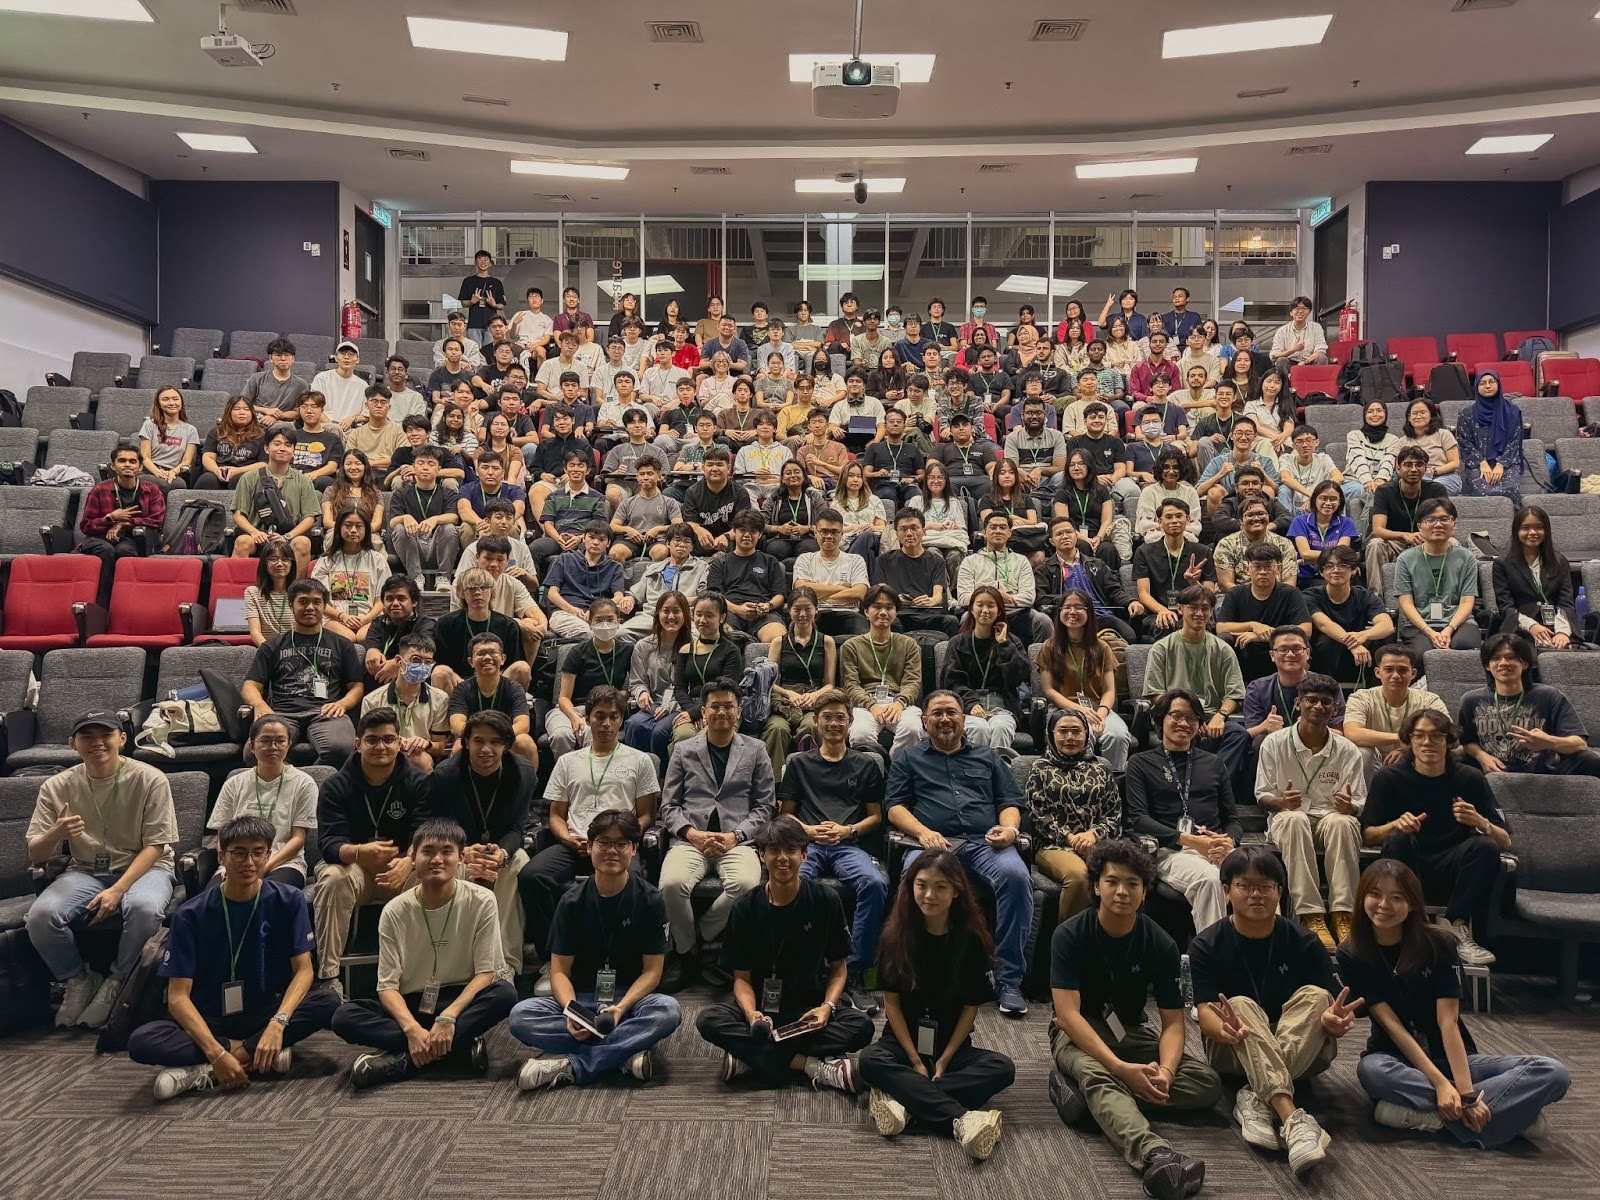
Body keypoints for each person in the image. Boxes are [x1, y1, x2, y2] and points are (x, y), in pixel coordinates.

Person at [1337, 859, 1569, 1146]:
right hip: (1398, 1059)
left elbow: (1448, 1023)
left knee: (1553, 1073)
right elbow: (1393, 1027)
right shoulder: (1352, 953)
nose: (1384, 904)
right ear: (1362, 898)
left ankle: (1431, 1117)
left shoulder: (1439, 943)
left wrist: (1465, 1091)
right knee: (1372, 1071)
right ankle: (1507, 1117)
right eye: (1375, 894)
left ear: (1412, 904)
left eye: (1397, 897)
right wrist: (1441, 1085)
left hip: (1454, 1058)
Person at [1048, 839, 1218, 1199]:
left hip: (1130, 1029)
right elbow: (1066, 1015)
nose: (1122, 892)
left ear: (1145, 892)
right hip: (1077, 1031)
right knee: (1098, 1072)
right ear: (1096, 885)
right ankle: (1155, 1155)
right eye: (1112, 881)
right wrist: (1121, 1068)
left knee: (1206, 1083)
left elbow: (1173, 1023)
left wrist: (1167, 1073)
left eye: (1132, 884)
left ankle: (1088, 1100)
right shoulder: (1069, 935)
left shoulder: (1160, 943)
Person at [124, 814, 337, 1101]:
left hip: (264, 1012)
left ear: (269, 855)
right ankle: (253, 1055)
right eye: (239, 853)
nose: (249, 862)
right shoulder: (190, 914)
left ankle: (205, 1069)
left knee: (328, 1001)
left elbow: (303, 971)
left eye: (257, 853)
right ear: (221, 855)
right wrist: (217, 1051)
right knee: (142, 1041)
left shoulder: (289, 900)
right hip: (211, 1017)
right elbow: (177, 998)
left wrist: (278, 1024)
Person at [1190, 845, 1358, 1177]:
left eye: (1266, 887)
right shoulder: (1207, 944)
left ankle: (1255, 1097)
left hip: (1302, 1048)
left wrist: (1332, 1021)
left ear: (1279, 892)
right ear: (1227, 891)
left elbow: (1330, 1008)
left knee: (1316, 995)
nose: (1256, 895)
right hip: (1232, 1050)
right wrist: (1221, 1029)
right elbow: (1205, 1011)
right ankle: (1292, 1118)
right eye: (1245, 886)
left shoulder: (1304, 941)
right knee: (1238, 1005)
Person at [330, 818, 517, 1088]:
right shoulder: (394, 910)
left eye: (446, 852)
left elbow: (486, 972)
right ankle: (456, 1049)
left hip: (458, 1002)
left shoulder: (482, 900)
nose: (437, 860)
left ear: (461, 858)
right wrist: (411, 1029)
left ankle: (406, 1060)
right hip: (411, 1005)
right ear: (413, 857)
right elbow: (387, 988)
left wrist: (449, 1017)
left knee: (505, 994)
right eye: (428, 851)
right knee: (344, 1017)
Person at [692, 815, 872, 1092]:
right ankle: (809, 1065)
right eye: (774, 851)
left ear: (804, 854)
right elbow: (741, 978)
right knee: (709, 1020)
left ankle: (753, 1058)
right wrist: (752, 1014)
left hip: (808, 1009)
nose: (782, 858)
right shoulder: (745, 907)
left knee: (862, 1026)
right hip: (761, 1009)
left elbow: (838, 968)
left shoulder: (826, 900)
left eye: (791, 851)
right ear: (762, 855)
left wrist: (827, 1008)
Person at [25, 711, 177, 1030]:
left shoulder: (150, 778)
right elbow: (35, 853)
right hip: (86, 870)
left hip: (146, 866)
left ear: (121, 739)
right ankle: (78, 980)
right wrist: (57, 834)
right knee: (41, 916)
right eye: (87, 737)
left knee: (144, 908)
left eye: (105, 735)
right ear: (73, 744)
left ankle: (118, 981)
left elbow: (156, 846)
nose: (97, 743)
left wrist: (118, 889)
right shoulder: (57, 786)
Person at [509, 809, 682, 1089]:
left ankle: (572, 1065)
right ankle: (623, 1053)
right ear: (589, 847)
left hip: (628, 1003)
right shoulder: (571, 901)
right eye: (603, 843)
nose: (611, 851)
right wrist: (570, 1010)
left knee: (667, 1010)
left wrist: (619, 1009)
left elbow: (652, 972)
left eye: (621, 844)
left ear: (634, 850)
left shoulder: (650, 900)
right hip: (582, 998)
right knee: (521, 1015)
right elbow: (559, 971)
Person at [858, 849, 1013, 1161]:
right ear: (911, 885)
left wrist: (944, 1060)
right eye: (922, 884)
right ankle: (963, 1120)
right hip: (902, 1045)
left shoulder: (970, 940)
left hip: (949, 1047)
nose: (929, 895)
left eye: (940, 887)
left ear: (956, 891)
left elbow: (971, 1009)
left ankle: (904, 1102)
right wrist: (915, 1061)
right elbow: (892, 1006)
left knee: (1003, 1069)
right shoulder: (895, 935)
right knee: (869, 1060)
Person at [886, 691, 1033, 1017]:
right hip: (932, 843)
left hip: (984, 842)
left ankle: (1007, 979)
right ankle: (910, 970)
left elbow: (1009, 803)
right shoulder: (908, 759)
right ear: (925, 722)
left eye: (951, 712)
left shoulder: (989, 757)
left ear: (964, 720)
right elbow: (894, 807)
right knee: (915, 878)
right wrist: (923, 832)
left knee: (1017, 876)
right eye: (936, 713)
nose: (944, 719)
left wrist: (1009, 829)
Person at [1361, 709, 1511, 967]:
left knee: (1485, 846)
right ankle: (1405, 926)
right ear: (1409, 740)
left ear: (1449, 741)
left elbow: (1505, 840)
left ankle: (1455, 925)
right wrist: (1395, 824)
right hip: (1407, 863)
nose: (1427, 743)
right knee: (1398, 839)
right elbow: (1368, 834)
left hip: (1453, 866)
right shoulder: (1389, 778)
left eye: (1436, 736)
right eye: (1419, 736)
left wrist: (1480, 822)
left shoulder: (1469, 778)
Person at [522, 688, 658, 961]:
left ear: (621, 720)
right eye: (599, 716)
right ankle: (554, 957)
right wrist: (566, 838)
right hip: (575, 843)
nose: (606, 723)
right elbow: (556, 814)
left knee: (637, 881)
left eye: (613, 717)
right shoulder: (567, 761)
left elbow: (646, 816)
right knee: (531, 876)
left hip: (617, 846)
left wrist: (624, 840)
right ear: (588, 718)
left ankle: (625, 958)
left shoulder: (640, 760)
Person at [658, 678, 775, 990]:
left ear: (738, 711)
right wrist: (692, 834)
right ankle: (687, 953)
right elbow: (668, 806)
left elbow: (764, 807)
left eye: (729, 706)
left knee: (748, 884)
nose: (722, 712)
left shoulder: (756, 749)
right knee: (671, 884)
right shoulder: (683, 750)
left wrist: (735, 836)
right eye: (715, 706)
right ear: (704, 711)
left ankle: (701, 934)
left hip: (737, 839)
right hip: (690, 839)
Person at [309, 707, 432, 991]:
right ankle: (328, 979)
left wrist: (410, 861)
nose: (381, 747)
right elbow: (328, 844)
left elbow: (425, 833)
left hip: (402, 869)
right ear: (357, 744)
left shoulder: (419, 782)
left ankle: (431, 975)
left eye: (388, 740)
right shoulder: (335, 785)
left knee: (441, 870)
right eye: (372, 740)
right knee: (332, 878)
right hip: (357, 871)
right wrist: (359, 852)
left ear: (400, 743)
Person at [1254, 671, 1364, 950]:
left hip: (1330, 816)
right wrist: (1281, 802)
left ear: (1335, 708)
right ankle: (1311, 914)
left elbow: (1359, 802)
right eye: (1311, 700)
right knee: (1294, 819)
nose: (1318, 707)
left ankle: (1343, 914)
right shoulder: (1274, 743)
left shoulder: (1348, 749)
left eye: (1326, 702)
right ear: (1298, 704)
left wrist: (1349, 806)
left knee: (1343, 823)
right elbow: (1262, 795)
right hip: (1288, 818)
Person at [428, 710, 534, 976]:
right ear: (466, 743)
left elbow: (517, 828)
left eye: (495, 742)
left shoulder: (523, 773)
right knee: (450, 869)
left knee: (518, 863)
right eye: (478, 741)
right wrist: (464, 851)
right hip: (459, 849)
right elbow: (439, 825)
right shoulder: (445, 775)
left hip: (500, 849)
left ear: (506, 745)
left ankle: (506, 964)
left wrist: (501, 853)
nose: (486, 749)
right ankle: (459, 964)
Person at [1123, 688, 1237, 930]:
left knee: (1260, 874)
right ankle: (1213, 960)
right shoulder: (1140, 763)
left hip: (1216, 848)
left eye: (1192, 718)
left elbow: (1233, 819)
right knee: (1209, 880)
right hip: (1170, 851)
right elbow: (1138, 819)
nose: (1184, 723)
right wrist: (1192, 842)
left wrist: (1229, 842)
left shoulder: (1214, 763)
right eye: (1176, 716)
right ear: (1160, 719)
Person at [241, 579, 365, 765]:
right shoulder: (272, 645)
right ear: (291, 604)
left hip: (327, 712)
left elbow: (356, 686)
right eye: (303, 601)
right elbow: (250, 685)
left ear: (324, 607)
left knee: (342, 749)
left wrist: (343, 703)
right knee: (255, 753)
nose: (310, 607)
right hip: (282, 713)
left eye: (316, 602)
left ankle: (313, 787)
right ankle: (291, 784)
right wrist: (259, 704)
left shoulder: (342, 644)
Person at [1141, 589, 1250, 778]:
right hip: (1174, 716)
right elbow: (1155, 694)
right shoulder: (1161, 648)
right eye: (1193, 608)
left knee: (1238, 734)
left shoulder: (1223, 650)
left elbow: (1235, 694)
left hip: (1212, 717)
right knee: (1182, 732)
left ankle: (1211, 782)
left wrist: (1220, 715)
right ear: (1181, 609)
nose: (1199, 613)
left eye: (1205, 608)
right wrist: (1190, 718)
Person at [1459, 632, 1600, 777]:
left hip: (1544, 773)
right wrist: (1481, 755)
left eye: (1511, 657)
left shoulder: (1549, 696)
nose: (1503, 663)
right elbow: (1467, 742)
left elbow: (1579, 743)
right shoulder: (1472, 700)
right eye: (1495, 658)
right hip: (1492, 771)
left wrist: (1549, 742)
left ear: (1525, 663)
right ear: (1488, 666)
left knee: (1590, 760)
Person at [1026, 709, 1122, 920]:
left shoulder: (1100, 768)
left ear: (1087, 735)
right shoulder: (1040, 768)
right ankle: (1069, 943)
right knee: (1080, 876)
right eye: (1063, 731)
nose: (1070, 737)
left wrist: (1092, 835)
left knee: (1123, 874)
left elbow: (1114, 814)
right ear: (1052, 734)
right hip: (1053, 845)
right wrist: (1070, 838)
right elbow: (1038, 815)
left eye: (1076, 731)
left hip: (1096, 843)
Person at [205, 715, 319, 886]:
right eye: (265, 741)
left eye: (280, 741)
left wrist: (263, 866)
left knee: (268, 897)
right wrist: (232, 864)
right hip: (237, 862)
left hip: (283, 862)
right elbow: (223, 833)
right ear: (252, 746)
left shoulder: (303, 783)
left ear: (288, 745)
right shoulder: (235, 783)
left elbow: (298, 838)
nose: (273, 747)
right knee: (212, 900)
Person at [942, 584, 1030, 753]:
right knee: (978, 728)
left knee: (1001, 728)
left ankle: (1000, 775)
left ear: (999, 610)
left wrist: (1004, 645)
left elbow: (1019, 676)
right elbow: (952, 682)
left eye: (991, 605)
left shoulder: (1011, 641)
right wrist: (970, 704)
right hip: (969, 707)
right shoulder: (958, 643)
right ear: (972, 609)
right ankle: (977, 775)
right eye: (980, 605)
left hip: (1002, 707)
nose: (985, 610)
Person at [76, 442, 166, 604]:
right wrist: (109, 518)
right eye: (122, 461)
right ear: (113, 466)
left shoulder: (151, 490)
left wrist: (124, 523)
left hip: (131, 538)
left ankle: (126, 601)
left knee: (125, 550)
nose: (127, 465)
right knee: (105, 550)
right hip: (99, 538)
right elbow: (86, 526)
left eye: (132, 461)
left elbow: (157, 520)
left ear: (139, 467)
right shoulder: (99, 490)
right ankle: (100, 602)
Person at [1395, 497, 1482, 656]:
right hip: (1418, 626)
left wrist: (1449, 629)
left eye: (1444, 519)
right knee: (1423, 654)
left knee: (1464, 646)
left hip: (1458, 623)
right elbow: (1406, 603)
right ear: (1420, 526)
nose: (1438, 524)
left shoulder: (1467, 557)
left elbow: (1467, 601)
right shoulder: (1405, 559)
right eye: (1430, 520)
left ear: (1453, 523)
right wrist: (1429, 632)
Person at [1216, 543, 1312, 682]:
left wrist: (1264, 635)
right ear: (1247, 568)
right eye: (1257, 567)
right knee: (1224, 639)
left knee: (1302, 643)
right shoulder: (1236, 593)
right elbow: (1221, 627)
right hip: (1245, 649)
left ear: (1277, 569)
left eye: (1268, 567)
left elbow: (1306, 630)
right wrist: (1253, 625)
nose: (1262, 572)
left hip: (1279, 648)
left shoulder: (1290, 593)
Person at [231, 426, 318, 576]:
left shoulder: (303, 480)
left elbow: (310, 518)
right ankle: (239, 593)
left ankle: (297, 591)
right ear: (266, 448)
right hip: (258, 536)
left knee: (303, 543)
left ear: (294, 450)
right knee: (243, 542)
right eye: (277, 444)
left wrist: (287, 536)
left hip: (289, 537)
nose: (282, 448)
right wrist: (254, 532)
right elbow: (238, 515)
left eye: (287, 445)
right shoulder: (249, 478)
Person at [1241, 625, 1344, 746]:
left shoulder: (1328, 685)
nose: (1290, 654)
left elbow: (1340, 734)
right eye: (1283, 649)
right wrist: (1265, 726)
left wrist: (1313, 728)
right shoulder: (1257, 688)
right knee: (1260, 741)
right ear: (1272, 655)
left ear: (1307, 653)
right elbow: (1248, 733)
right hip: (1276, 747)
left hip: (1317, 744)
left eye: (1296, 649)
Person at [360, 632, 450, 771]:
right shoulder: (372, 700)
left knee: (421, 761)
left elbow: (440, 747)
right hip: (382, 751)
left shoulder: (440, 698)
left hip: (419, 755)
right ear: (399, 661)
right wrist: (393, 742)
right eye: (415, 660)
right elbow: (366, 742)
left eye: (427, 662)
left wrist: (426, 744)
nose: (422, 666)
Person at [1305, 545, 1394, 684]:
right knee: (1327, 642)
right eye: (1329, 566)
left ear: (1353, 570)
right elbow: (1323, 624)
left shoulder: (1364, 595)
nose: (1336, 570)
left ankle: (1374, 691)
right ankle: (1325, 691)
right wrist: (1353, 644)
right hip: (1326, 653)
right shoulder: (1311, 596)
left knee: (1382, 641)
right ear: (1322, 572)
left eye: (1342, 566)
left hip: (1361, 653)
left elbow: (1387, 625)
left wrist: (1364, 636)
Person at [1492, 505, 1578, 648]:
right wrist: (1532, 626)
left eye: (1538, 527)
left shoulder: (1559, 561)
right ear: (1516, 531)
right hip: (1519, 627)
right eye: (1525, 528)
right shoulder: (1502, 563)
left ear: (1546, 531)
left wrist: (1562, 632)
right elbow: (1505, 606)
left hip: (1556, 626)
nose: (1532, 532)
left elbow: (1566, 602)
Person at [955, 512, 1046, 644]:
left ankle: (1037, 663)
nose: (998, 531)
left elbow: (1029, 597)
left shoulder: (1021, 561)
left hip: (1016, 611)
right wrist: (995, 597)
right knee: (965, 618)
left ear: (1009, 533)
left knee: (1043, 621)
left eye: (1003, 528)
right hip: (982, 609)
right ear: (984, 532)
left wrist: (1010, 600)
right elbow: (963, 598)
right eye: (993, 527)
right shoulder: (970, 561)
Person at [1365, 443, 1449, 584]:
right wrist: (1405, 535)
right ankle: (1376, 600)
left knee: (1452, 542)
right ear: (1398, 468)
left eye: (1419, 465)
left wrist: (1427, 536)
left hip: (1425, 540)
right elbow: (1378, 530)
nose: (1414, 469)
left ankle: (1447, 598)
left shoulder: (1437, 490)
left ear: (1426, 468)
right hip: (1395, 542)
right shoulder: (1384, 491)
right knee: (1375, 544)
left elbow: (1447, 525)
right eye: (1408, 465)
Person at [1130, 500, 1215, 638]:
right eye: (1169, 517)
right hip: (1156, 612)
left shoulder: (1203, 552)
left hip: (1194, 612)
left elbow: (1209, 595)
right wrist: (1162, 610)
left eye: (1179, 516)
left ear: (1187, 519)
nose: (1174, 521)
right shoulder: (1144, 552)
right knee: (1166, 623)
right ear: (1159, 521)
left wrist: (1194, 583)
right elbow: (1143, 593)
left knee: (1202, 626)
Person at [706, 510, 787, 640]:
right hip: (729, 611)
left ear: (760, 534)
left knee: (778, 639)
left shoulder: (770, 561)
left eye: (753, 531)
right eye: (742, 530)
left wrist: (768, 606)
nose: (747, 535)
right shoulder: (720, 562)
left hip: (763, 614)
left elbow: (780, 595)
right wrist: (738, 609)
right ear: (734, 532)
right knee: (718, 636)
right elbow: (714, 596)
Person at [543, 521, 631, 640]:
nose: (595, 542)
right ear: (583, 539)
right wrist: (573, 610)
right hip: (565, 613)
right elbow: (552, 593)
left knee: (623, 635)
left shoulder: (615, 567)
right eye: (591, 537)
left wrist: (597, 612)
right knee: (590, 634)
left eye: (601, 539)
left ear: (608, 543)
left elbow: (618, 596)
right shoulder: (565, 559)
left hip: (600, 617)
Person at [311, 507, 389, 639]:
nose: (353, 530)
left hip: (369, 619)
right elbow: (319, 600)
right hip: (334, 619)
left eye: (359, 526)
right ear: (339, 528)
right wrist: (342, 616)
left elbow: (382, 599)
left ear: (366, 530)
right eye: (348, 525)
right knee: (348, 638)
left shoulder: (377, 560)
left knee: (363, 637)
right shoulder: (326, 561)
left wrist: (366, 619)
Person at [794, 509, 871, 636]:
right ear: (815, 532)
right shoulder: (805, 559)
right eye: (824, 531)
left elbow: (859, 592)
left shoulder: (855, 560)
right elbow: (801, 588)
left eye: (834, 532)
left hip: (850, 614)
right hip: (814, 614)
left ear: (842, 534)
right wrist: (842, 588)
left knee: (863, 639)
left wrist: (818, 595)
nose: (829, 536)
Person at [1456, 371, 1524, 501]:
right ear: (1476, 387)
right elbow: (1464, 442)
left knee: (1510, 490)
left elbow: (1515, 441)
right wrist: (1481, 462)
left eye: (1491, 382)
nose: (1487, 386)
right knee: (1483, 492)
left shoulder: (1512, 411)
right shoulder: (1466, 414)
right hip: (1477, 463)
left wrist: (1501, 464)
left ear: (1498, 384)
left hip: (1507, 463)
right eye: (1482, 383)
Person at [1287, 480, 1358, 588]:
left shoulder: (1346, 523)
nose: (1328, 503)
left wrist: (1308, 560)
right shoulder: (1300, 521)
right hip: (1306, 578)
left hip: (1334, 575)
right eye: (1323, 498)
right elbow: (1305, 553)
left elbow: (1339, 554)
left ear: (1340, 502)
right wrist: (1307, 558)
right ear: (1314, 499)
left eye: (1333, 499)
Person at [194, 395, 266, 490]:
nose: (242, 412)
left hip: (246, 472)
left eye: (246, 409)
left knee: (239, 480)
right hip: (219, 471)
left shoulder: (261, 435)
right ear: (229, 412)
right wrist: (216, 470)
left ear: (252, 413)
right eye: (237, 409)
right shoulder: (216, 432)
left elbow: (264, 463)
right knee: (207, 480)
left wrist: (238, 471)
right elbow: (208, 457)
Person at [137, 386, 199, 489]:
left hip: (175, 473)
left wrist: (173, 472)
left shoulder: (191, 430)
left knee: (177, 484)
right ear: (159, 404)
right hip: (149, 471)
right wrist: (157, 472)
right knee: (151, 483)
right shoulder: (150, 425)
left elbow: (186, 462)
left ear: (181, 402)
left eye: (175, 399)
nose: (171, 403)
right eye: (165, 399)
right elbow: (145, 457)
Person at [1400, 399, 1462, 495]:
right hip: (1413, 477)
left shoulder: (1443, 434)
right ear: (1409, 417)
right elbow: (1398, 466)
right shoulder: (1403, 441)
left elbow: (1455, 463)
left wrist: (1433, 472)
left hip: (1445, 476)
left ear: (1431, 415)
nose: (1418, 416)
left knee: (1432, 488)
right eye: (1414, 413)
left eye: (1423, 412)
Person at [244, 337, 309, 420]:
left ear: (293, 359)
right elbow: (243, 404)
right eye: (278, 355)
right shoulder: (256, 378)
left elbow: (300, 411)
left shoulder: (301, 384)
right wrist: (267, 410)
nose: (283, 359)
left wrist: (276, 416)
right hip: (258, 421)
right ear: (271, 358)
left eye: (287, 355)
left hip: (285, 423)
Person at [311, 341, 369, 426]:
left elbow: (367, 414)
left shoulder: (363, 385)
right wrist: (331, 425)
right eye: (342, 353)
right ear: (336, 358)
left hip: (351, 429)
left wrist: (353, 419)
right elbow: (313, 407)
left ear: (357, 360)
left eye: (351, 354)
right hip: (325, 426)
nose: (346, 357)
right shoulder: (321, 379)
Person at [1268, 297, 1329, 366]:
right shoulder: (1282, 331)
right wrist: (1293, 350)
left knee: (1322, 358)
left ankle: (1318, 377)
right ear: (1291, 312)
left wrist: (1305, 362)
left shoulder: (1316, 327)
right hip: (1289, 363)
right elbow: (1273, 355)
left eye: (1304, 309)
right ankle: (1287, 377)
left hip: (1310, 361)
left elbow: (1321, 350)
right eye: (1297, 309)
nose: (1300, 311)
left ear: (1309, 312)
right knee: (1281, 361)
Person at [458, 249, 506, 334]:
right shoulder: (468, 281)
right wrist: (472, 302)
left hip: (492, 325)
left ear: (490, 263)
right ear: (475, 262)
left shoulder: (497, 282)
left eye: (486, 260)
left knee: (490, 347)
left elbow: (501, 305)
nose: (483, 262)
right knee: (475, 347)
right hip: (474, 324)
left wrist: (494, 305)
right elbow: (463, 303)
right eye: (480, 259)